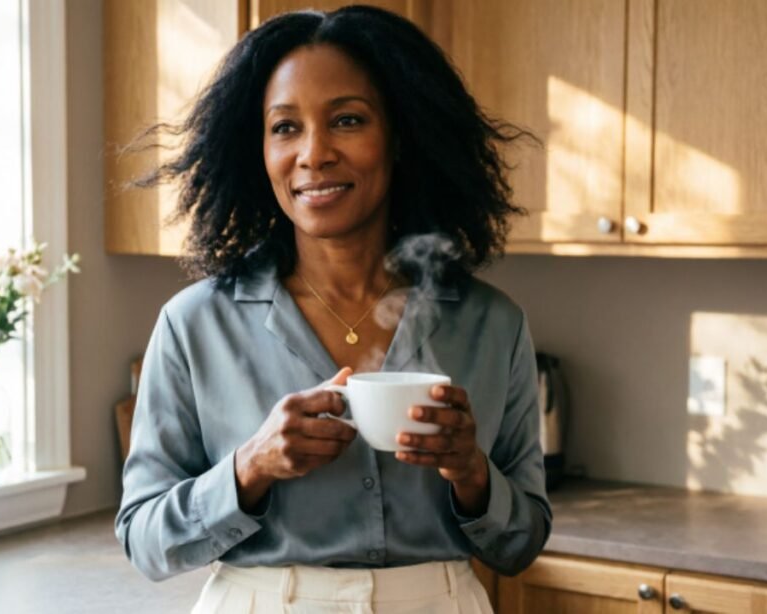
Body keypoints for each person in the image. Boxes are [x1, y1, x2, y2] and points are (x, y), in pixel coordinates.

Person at [115, 6, 551, 613]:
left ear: (400, 136)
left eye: (347, 120)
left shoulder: (492, 324)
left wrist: (472, 474)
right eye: (285, 127)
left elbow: (523, 541)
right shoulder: (193, 325)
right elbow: (145, 540)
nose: (313, 154)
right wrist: (249, 467)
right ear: (257, 148)